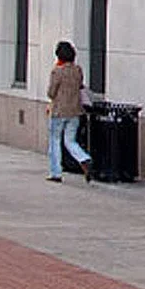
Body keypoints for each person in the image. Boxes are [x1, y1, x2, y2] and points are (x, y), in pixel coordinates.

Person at [45, 41, 92, 183]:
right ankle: (83, 158)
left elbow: (51, 93)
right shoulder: (78, 70)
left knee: (55, 141)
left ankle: (56, 173)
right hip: (75, 111)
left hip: (59, 111)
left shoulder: (57, 72)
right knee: (70, 140)